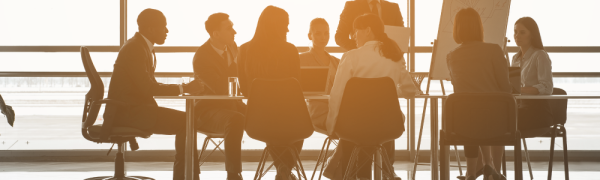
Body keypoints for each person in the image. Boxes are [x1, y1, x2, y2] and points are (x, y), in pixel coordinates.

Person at [105, 9, 205, 180]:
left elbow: (148, 85)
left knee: (188, 120)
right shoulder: (136, 49)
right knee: (188, 121)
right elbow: (148, 88)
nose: (167, 31)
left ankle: (187, 175)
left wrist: (183, 88)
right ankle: (186, 177)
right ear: (151, 29)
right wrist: (184, 88)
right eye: (164, 27)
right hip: (128, 113)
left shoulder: (142, 47)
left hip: (132, 109)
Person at [324, 13, 417, 180]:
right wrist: (392, 91)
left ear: (367, 30)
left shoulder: (351, 57)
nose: (353, 37)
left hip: (354, 125)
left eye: (355, 32)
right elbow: (410, 91)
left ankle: (349, 175)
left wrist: (332, 126)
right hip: (386, 125)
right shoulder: (395, 56)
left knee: (352, 133)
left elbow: (337, 94)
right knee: (368, 131)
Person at [237, 6, 302, 180]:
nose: (288, 29)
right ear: (276, 25)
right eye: (285, 25)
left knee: (273, 126)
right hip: (291, 120)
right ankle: (285, 169)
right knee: (298, 121)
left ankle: (283, 168)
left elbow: (244, 89)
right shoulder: (290, 50)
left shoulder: (243, 50)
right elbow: (297, 88)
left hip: (257, 121)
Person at [446, 8, 511, 180]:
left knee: (471, 113)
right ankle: (490, 167)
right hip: (495, 121)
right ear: (479, 28)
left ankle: (472, 172)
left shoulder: (451, 56)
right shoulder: (495, 50)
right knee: (486, 113)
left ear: (457, 29)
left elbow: (459, 90)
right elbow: (505, 88)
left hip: (463, 122)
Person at [192, 13, 245, 180]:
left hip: (232, 105)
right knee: (236, 119)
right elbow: (220, 88)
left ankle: (283, 167)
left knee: (266, 114)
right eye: (229, 28)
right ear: (216, 34)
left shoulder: (232, 47)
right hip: (208, 110)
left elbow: (242, 79)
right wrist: (235, 64)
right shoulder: (201, 57)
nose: (234, 32)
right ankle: (233, 174)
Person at [512, 17, 554, 131]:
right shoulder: (515, 59)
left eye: (522, 32)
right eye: (515, 32)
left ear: (532, 35)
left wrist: (519, 90)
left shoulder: (540, 55)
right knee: (492, 116)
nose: (517, 35)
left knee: (500, 120)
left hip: (538, 112)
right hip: (520, 108)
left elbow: (547, 87)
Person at [299, 18, 340, 133]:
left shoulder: (337, 62)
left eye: (326, 33)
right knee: (351, 126)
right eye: (318, 33)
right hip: (317, 111)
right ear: (309, 36)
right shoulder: (301, 59)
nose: (323, 37)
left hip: (339, 109)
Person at [335, 0, 405, 51]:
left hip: (387, 60)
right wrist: (361, 49)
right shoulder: (351, 6)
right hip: (361, 60)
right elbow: (340, 37)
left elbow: (401, 38)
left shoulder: (393, 8)